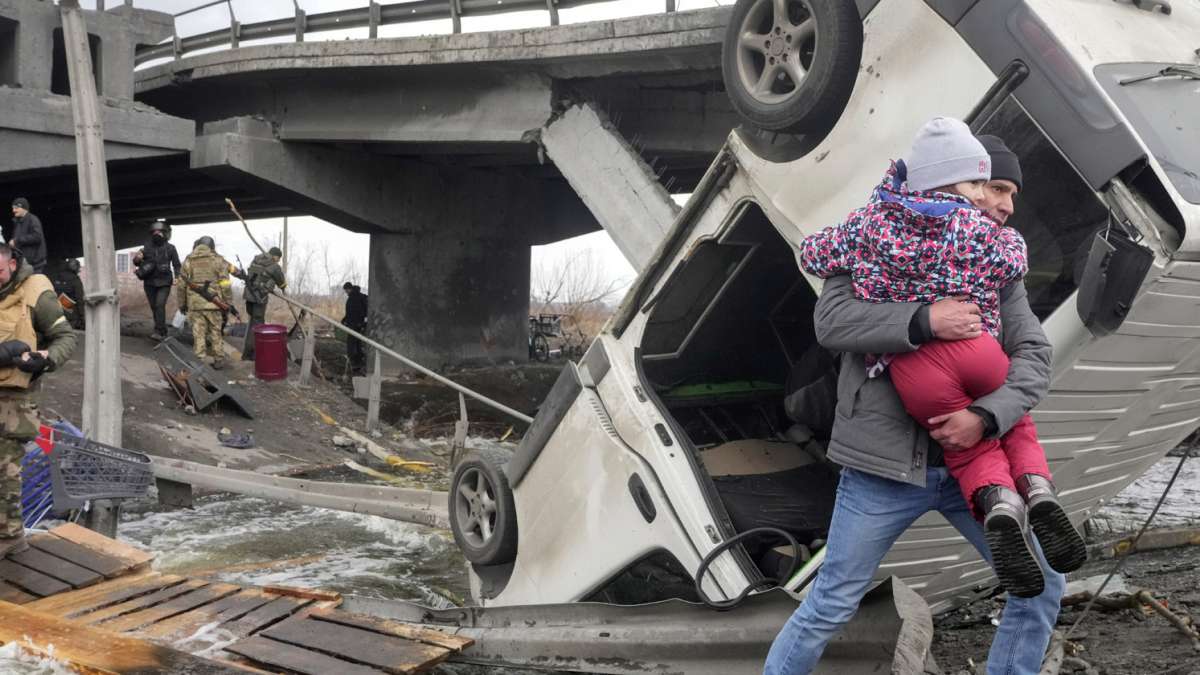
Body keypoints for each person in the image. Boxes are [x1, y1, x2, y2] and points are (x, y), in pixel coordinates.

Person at [764, 134, 1066, 674]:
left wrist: (985, 416)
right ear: (953, 184)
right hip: (881, 469)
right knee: (831, 603)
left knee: (1041, 584)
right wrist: (923, 320)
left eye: (1011, 194)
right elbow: (831, 322)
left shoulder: (995, 262)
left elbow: (1034, 356)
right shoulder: (872, 235)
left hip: (975, 468)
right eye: (993, 187)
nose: (1004, 204)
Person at [0, 244, 76, 556]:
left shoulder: (37, 293)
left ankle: (10, 539)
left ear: (13, 264)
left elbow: (65, 337)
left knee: (5, 471)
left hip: (13, 403)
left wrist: (45, 359)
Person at [178, 236, 235, 369]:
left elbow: (181, 285)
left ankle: (199, 361)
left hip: (195, 304)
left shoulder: (189, 260)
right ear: (212, 247)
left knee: (198, 333)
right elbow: (225, 284)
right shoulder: (218, 260)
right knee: (216, 331)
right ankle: (219, 359)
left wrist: (182, 303)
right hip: (215, 303)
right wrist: (227, 302)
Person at [132, 222, 181, 341]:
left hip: (164, 282)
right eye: (154, 232)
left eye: (159, 232)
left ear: (164, 234)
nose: (156, 234)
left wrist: (177, 277)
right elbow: (136, 262)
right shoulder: (145, 248)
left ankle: (159, 331)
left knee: (160, 305)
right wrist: (137, 258)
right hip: (149, 282)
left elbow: (176, 265)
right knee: (154, 307)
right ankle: (161, 329)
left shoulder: (170, 248)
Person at [240, 247, 286, 362]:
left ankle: (246, 353)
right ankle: (254, 354)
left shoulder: (256, 259)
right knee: (258, 327)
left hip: (248, 296)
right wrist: (283, 288)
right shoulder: (275, 266)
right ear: (276, 256)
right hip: (259, 298)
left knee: (252, 324)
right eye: (278, 259)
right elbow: (282, 282)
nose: (278, 261)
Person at [9, 198, 46, 274]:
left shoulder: (33, 219)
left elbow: (37, 236)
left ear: (23, 208)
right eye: (13, 208)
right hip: (24, 264)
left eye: (16, 208)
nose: (13, 211)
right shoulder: (17, 222)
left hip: (35, 265)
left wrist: (16, 241)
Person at [49, 259, 85, 330]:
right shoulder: (75, 280)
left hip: (56, 312)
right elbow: (79, 299)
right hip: (71, 315)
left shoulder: (56, 277)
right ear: (76, 268)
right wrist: (82, 317)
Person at [342, 282, 369, 375]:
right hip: (353, 324)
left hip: (357, 324)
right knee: (356, 343)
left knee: (353, 344)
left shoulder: (360, 297)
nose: (346, 292)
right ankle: (357, 363)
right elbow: (350, 312)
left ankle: (355, 362)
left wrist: (363, 323)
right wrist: (344, 319)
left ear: (349, 288)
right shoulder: (351, 297)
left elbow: (365, 311)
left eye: (346, 290)